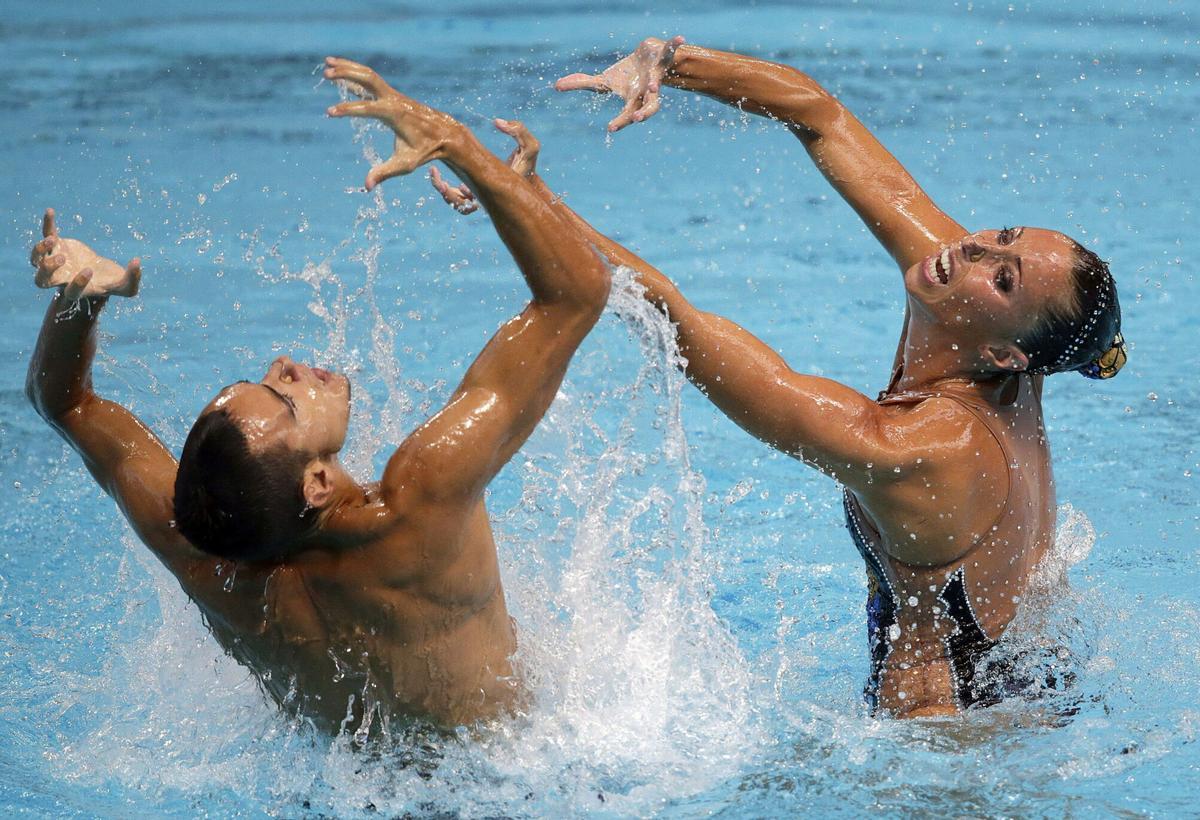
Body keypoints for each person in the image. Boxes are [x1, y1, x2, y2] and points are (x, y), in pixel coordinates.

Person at [435, 38, 1125, 717]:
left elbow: (675, 319)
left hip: (948, 738)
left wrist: (522, 201)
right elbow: (819, 115)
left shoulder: (926, 448)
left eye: (1003, 279)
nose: (971, 249)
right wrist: (670, 62)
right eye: (1003, 235)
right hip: (1039, 672)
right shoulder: (999, 327)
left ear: (1007, 355)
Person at [24, 57, 610, 734]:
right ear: (319, 483)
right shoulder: (419, 504)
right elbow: (576, 295)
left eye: (264, 379)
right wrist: (458, 144)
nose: (286, 366)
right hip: (518, 770)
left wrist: (81, 301)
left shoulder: (207, 558)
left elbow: (65, 404)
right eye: (285, 398)